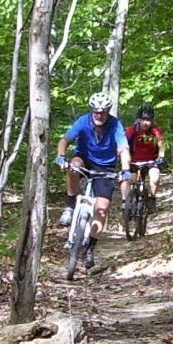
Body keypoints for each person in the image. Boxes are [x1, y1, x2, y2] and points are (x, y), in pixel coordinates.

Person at [55, 92, 131, 268]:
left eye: (103, 112)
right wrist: (61, 156)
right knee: (73, 166)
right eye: (96, 111)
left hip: (106, 167)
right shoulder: (83, 121)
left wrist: (126, 169)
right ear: (91, 111)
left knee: (102, 210)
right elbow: (64, 140)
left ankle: (90, 249)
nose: (99, 115)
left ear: (108, 111)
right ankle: (70, 205)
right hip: (84, 158)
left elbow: (123, 149)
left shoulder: (115, 125)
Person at [121, 104, 166, 211]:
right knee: (127, 180)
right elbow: (123, 142)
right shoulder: (133, 129)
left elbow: (161, 144)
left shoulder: (155, 130)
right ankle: (125, 204)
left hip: (151, 162)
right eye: (143, 119)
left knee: (155, 178)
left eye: (149, 120)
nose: (146, 123)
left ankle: (152, 199)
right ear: (139, 119)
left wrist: (161, 157)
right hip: (134, 161)